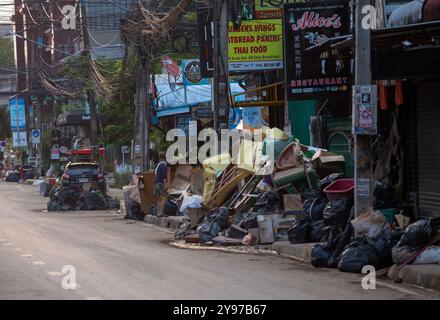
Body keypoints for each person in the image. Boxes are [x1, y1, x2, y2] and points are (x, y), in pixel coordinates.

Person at [154, 151, 169, 216]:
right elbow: (164, 175)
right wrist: (166, 184)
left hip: (156, 183)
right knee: (165, 198)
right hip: (161, 183)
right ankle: (161, 212)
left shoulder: (157, 164)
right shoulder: (163, 164)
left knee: (159, 199)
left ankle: (158, 212)